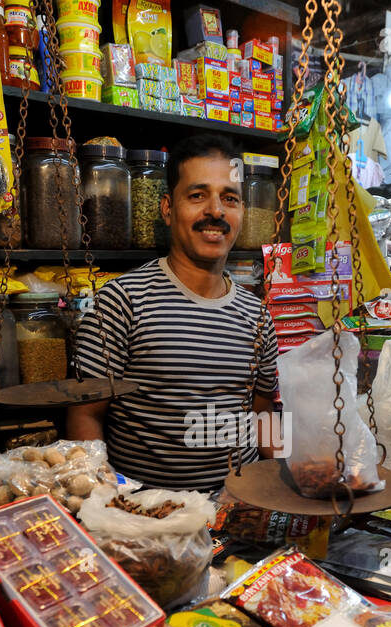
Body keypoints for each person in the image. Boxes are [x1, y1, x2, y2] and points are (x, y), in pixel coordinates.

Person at [68, 133, 278, 492]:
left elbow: (263, 415)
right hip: (149, 518)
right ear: (167, 208)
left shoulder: (258, 314)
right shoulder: (121, 301)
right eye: (197, 196)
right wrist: (105, 498)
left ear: (242, 211)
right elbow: (85, 415)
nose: (215, 211)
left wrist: (288, 475)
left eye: (230, 198)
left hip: (238, 514)